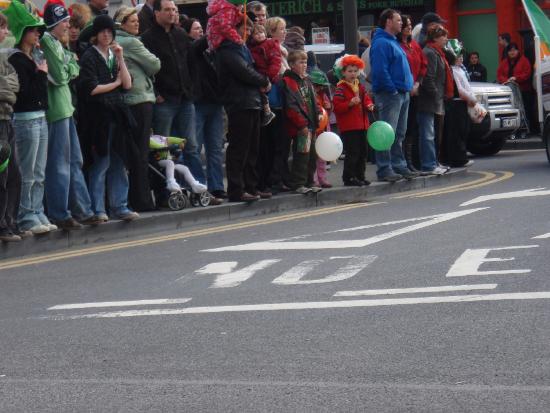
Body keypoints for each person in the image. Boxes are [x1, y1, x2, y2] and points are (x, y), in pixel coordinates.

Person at [41, 1, 103, 230]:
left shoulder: (59, 43)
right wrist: (68, 65)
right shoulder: (48, 41)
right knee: (59, 164)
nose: (68, 25)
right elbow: (59, 76)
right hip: (56, 111)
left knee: (74, 161)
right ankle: (60, 213)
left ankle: (83, 210)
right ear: (54, 24)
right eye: (64, 21)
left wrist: (68, 66)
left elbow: (73, 70)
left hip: (65, 108)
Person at [77, 15, 139, 222]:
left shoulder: (112, 56)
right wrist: (115, 83)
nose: (107, 34)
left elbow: (128, 84)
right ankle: (98, 208)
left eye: (110, 31)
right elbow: (92, 89)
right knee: (101, 163)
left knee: (119, 161)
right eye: (103, 31)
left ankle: (119, 205)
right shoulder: (89, 57)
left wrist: (120, 58)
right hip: (98, 118)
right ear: (96, 34)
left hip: (116, 115)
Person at [5, 0, 57, 234]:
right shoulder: (17, 59)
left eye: (39, 30)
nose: (38, 34)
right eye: (34, 30)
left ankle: (37, 210)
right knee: (27, 171)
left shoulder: (33, 56)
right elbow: (25, 91)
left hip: (39, 117)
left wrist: (40, 73)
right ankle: (26, 215)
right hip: (25, 119)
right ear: (24, 33)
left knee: (39, 171)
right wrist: (41, 74)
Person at [141, 0, 205, 185]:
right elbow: (146, 70)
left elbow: (192, 63)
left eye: (174, 10)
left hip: (185, 98)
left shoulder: (181, 34)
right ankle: (165, 191)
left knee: (191, 145)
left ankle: (198, 186)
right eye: (167, 10)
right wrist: (156, 92)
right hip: (164, 100)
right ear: (157, 13)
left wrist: (192, 87)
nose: (172, 13)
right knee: (162, 148)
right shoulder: (147, 38)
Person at [215, 17, 270, 202]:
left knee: (252, 148)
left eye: (249, 29)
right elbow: (243, 71)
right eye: (243, 28)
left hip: (251, 100)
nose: (246, 32)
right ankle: (236, 189)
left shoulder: (242, 48)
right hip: (239, 101)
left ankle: (251, 186)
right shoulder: (228, 49)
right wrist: (263, 81)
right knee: (240, 148)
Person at [114, 6, 160, 212]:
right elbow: (155, 64)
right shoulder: (131, 42)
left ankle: (135, 198)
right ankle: (143, 201)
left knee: (133, 152)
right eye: (132, 21)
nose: (137, 23)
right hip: (140, 99)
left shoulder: (117, 42)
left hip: (127, 100)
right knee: (140, 153)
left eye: (137, 20)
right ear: (122, 23)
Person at [369, 9, 416, 182]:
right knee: (387, 134)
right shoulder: (382, 42)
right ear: (388, 22)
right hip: (391, 94)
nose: (401, 23)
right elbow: (380, 71)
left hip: (401, 93)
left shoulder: (392, 41)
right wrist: (393, 89)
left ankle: (398, 165)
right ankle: (385, 168)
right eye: (398, 20)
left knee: (399, 133)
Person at [189, 22, 226, 203]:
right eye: (196, 28)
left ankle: (217, 186)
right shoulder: (192, 49)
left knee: (215, 148)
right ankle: (199, 186)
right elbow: (199, 44)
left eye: (202, 28)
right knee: (195, 147)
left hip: (215, 103)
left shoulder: (212, 51)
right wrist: (217, 27)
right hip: (198, 103)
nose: (201, 31)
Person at [281, 50, 321, 194]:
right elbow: (291, 106)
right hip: (301, 126)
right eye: (301, 62)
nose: (304, 65)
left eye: (305, 62)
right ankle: (298, 183)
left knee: (312, 155)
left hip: (311, 123)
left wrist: (318, 114)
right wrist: (301, 124)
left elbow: (314, 100)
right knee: (302, 155)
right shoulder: (289, 81)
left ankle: (310, 181)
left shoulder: (307, 80)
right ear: (291, 64)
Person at [332, 55, 374, 187]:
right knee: (353, 152)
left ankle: (360, 176)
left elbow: (366, 98)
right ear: (343, 72)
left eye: (355, 71)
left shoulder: (359, 86)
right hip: (349, 126)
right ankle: (349, 177)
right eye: (350, 71)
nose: (353, 73)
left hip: (362, 124)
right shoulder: (340, 88)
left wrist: (369, 104)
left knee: (363, 152)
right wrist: (349, 103)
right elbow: (337, 107)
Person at [417, 25, 453, 175]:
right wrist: (437, 94)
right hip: (429, 101)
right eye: (443, 36)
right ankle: (428, 164)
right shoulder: (430, 53)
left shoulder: (439, 53)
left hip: (436, 100)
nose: (446, 39)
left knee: (435, 134)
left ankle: (434, 162)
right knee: (428, 134)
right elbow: (428, 78)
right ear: (435, 38)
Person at [0, 13, 22, 241]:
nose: (6, 33)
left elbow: (14, 85)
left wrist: (6, 89)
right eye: (3, 28)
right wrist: (6, 89)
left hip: (7, 117)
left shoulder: (5, 58)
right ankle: (2, 225)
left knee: (15, 173)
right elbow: (7, 89)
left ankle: (10, 221)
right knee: (3, 174)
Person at [398, 14, 426, 172]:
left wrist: (417, 83)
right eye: (406, 24)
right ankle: (402, 162)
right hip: (402, 91)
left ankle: (409, 161)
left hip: (415, 91)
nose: (409, 27)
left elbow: (423, 65)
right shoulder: (397, 45)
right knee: (403, 128)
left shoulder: (414, 45)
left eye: (410, 24)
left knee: (412, 127)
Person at [442, 40, 475, 168]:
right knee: (457, 131)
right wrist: (471, 99)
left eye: (462, 55)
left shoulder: (460, 69)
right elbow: (460, 90)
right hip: (456, 104)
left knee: (463, 131)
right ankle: (458, 158)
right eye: (458, 55)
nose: (461, 58)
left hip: (462, 103)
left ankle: (460, 156)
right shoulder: (453, 70)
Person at [248, 22, 280, 125]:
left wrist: (268, 77)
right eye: (256, 33)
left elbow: (275, 62)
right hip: (259, 77)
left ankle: (268, 111)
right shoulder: (251, 48)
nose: (260, 35)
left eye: (261, 32)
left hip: (269, 77)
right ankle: (267, 111)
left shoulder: (271, 44)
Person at [497, 43, 533, 130]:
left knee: (526, 109)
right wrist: (507, 80)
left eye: (514, 50)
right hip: (508, 90)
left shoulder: (524, 60)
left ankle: (525, 127)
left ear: (518, 51)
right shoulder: (504, 62)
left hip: (523, 90)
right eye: (510, 50)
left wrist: (516, 78)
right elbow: (499, 74)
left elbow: (527, 74)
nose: (512, 52)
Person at [309, 69, 332, 188]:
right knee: (313, 156)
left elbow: (327, 112)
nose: (318, 89)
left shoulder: (324, 96)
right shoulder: (309, 95)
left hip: (323, 129)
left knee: (322, 156)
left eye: (320, 87)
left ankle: (322, 178)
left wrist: (329, 107)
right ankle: (314, 179)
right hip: (314, 129)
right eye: (316, 86)